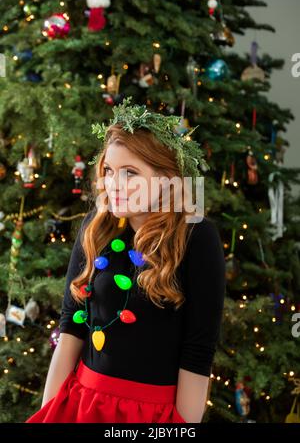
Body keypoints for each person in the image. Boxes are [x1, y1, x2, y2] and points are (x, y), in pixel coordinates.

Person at [25, 97, 226, 423]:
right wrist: (51, 413)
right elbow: (70, 329)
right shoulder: (96, 227)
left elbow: (197, 354)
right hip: (84, 405)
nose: (113, 184)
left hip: (150, 415)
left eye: (130, 173)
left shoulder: (196, 237)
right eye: (108, 171)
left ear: (165, 179)